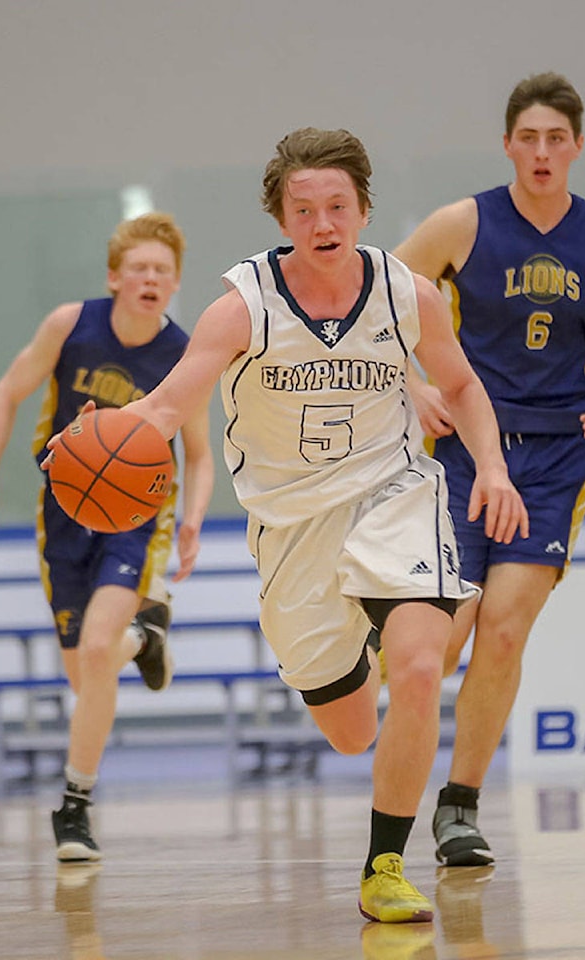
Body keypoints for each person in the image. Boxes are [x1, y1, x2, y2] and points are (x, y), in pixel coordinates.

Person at [48, 128, 527, 923]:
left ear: (364, 209)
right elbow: (169, 403)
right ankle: (372, 639)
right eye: (303, 209)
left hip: (393, 496)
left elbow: (464, 386)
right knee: (348, 733)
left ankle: (383, 867)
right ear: (282, 219)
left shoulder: (405, 291)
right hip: (294, 530)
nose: (322, 222)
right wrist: (107, 430)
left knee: (417, 665)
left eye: (337, 205)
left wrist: (496, 467)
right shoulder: (244, 305)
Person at [393, 72, 585, 868]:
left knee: (502, 630)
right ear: (508, 144)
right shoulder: (462, 224)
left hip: (556, 456)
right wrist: (416, 385)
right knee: (448, 634)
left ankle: (458, 808)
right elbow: (377, 302)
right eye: (528, 138)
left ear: (576, 147)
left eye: (556, 139)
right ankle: (389, 807)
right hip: (465, 451)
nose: (541, 152)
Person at [0, 211, 214, 861]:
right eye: (139, 269)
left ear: (175, 282)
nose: (151, 279)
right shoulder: (69, 326)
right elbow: (5, 395)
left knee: (97, 651)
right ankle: (145, 636)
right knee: (87, 675)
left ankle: (74, 808)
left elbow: (199, 453)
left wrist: (191, 521)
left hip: (135, 516)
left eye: (163, 271)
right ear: (115, 277)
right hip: (65, 511)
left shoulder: (184, 351)